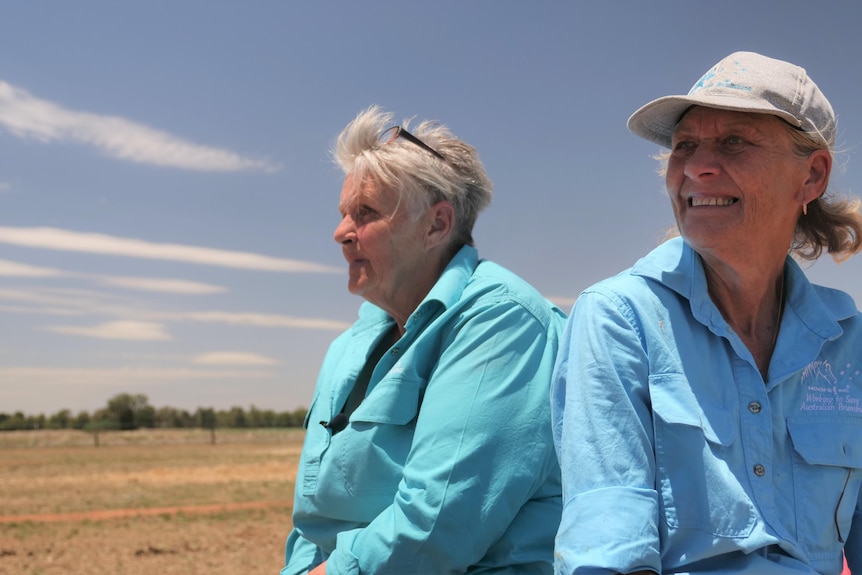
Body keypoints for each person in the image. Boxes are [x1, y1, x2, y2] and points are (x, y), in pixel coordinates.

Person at [552, 51, 862, 574]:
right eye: (685, 146)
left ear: (811, 176)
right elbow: (609, 557)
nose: (697, 167)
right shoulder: (618, 319)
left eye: (734, 142)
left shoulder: (848, 340)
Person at [282, 106, 565, 574]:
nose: (340, 233)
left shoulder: (501, 321)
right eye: (343, 214)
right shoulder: (349, 344)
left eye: (365, 213)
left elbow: (436, 527)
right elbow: (314, 523)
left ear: (437, 224)